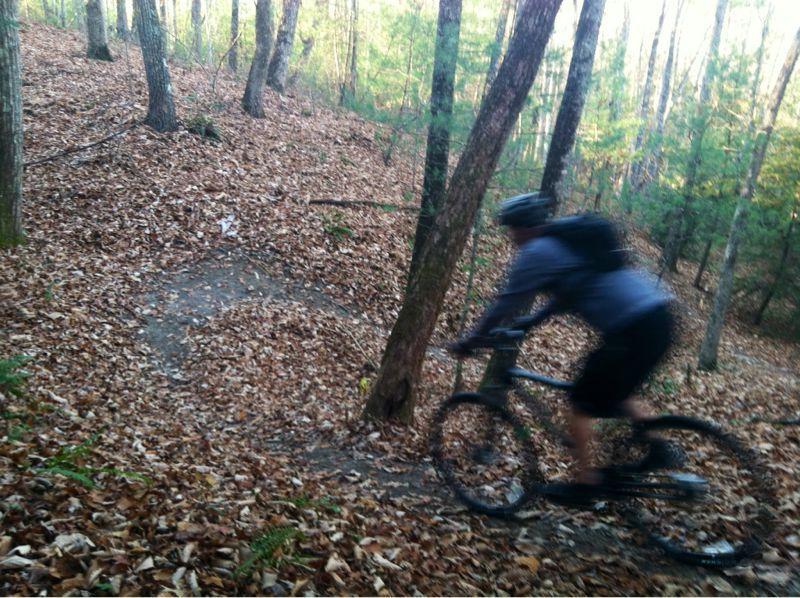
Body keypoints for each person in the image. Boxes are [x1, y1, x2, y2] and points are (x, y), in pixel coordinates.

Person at [449, 192, 676, 502]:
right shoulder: (565, 244)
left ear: (521, 228)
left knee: (579, 403)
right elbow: (568, 294)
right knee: (617, 392)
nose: (511, 236)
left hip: (632, 327)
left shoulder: (536, 251)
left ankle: (585, 484)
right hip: (657, 317)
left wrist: (471, 341)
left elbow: (504, 304)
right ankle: (659, 446)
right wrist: (531, 322)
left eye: (511, 229)